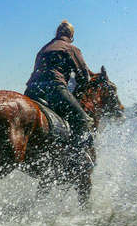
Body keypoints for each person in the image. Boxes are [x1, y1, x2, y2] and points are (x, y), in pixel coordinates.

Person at [24, 20, 94, 162]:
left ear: (57, 33)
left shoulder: (43, 49)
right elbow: (84, 77)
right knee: (84, 120)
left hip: (31, 91)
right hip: (54, 89)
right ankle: (75, 160)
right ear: (71, 35)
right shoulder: (70, 48)